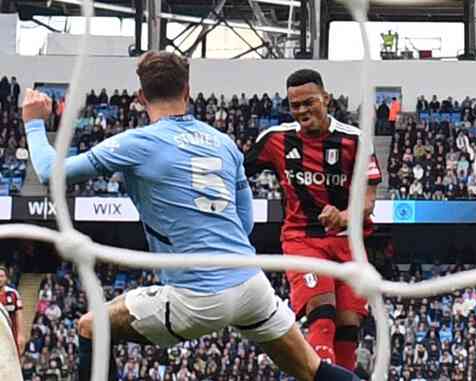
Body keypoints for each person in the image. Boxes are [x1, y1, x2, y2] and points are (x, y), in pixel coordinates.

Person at [21, 52, 359, 381]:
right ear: (188, 91)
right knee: (312, 370)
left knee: (91, 328)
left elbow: (52, 172)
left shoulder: (136, 143)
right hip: (250, 286)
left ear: (140, 97)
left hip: (197, 297)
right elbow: (245, 223)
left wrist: (34, 122)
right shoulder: (223, 143)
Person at [245, 68, 382, 371]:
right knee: (323, 312)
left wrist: (343, 216)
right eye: (296, 106)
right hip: (302, 238)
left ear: (326, 99)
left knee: (348, 326)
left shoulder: (356, 141)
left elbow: (369, 202)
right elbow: (237, 171)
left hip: (349, 241)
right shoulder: (275, 140)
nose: (303, 111)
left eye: (309, 102)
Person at [0, 265, 25, 356]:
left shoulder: (13, 294)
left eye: (2, 276)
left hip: (11, 333)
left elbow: (19, 314)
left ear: (6, 278)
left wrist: (20, 334)